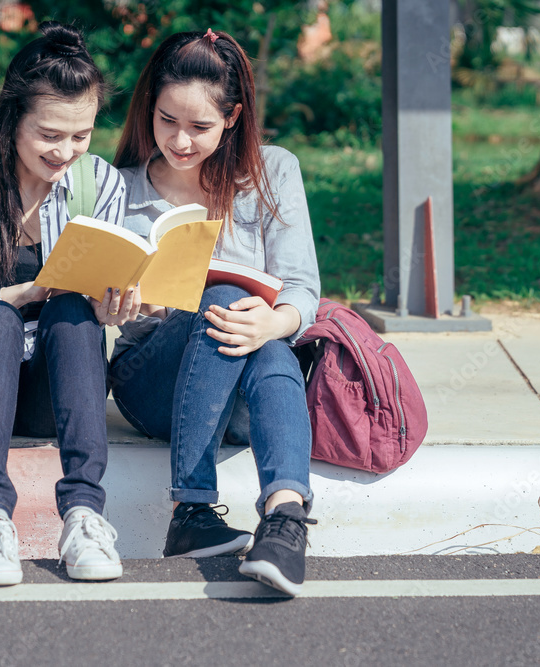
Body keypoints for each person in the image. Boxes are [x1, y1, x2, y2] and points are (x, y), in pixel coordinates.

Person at [0, 22, 140, 586]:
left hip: (44, 391)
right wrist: (25, 293)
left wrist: (113, 306)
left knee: (75, 314)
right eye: (50, 135)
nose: (66, 151)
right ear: (14, 117)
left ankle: (85, 517)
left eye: (81, 135)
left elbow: (93, 303)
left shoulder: (100, 185)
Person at [110, 29, 321, 597]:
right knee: (224, 301)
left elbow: (302, 289)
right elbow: (97, 303)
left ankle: (282, 519)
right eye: (166, 120)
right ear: (148, 109)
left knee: (267, 336)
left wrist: (275, 321)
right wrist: (127, 302)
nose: (179, 140)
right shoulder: (119, 187)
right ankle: (197, 507)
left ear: (232, 117)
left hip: (245, 389)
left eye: (199, 126)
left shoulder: (273, 171)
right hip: (153, 386)